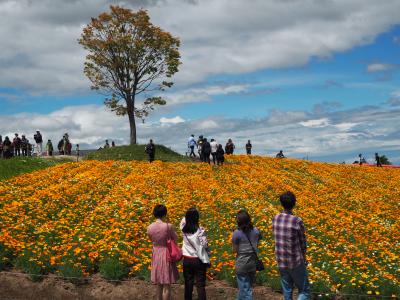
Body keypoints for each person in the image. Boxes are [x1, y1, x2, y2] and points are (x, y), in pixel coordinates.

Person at [273, 192, 310, 300]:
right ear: (294, 204)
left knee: (287, 289)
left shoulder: (275, 218)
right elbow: (303, 243)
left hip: (281, 261)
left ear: (281, 203)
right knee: (304, 291)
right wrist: (304, 258)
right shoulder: (297, 220)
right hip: (295, 261)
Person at [147, 205, 179, 300]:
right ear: (165, 213)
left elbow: (150, 239)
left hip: (156, 253)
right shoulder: (168, 226)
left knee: (159, 284)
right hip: (166, 253)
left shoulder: (149, 227)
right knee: (166, 284)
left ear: (154, 214)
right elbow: (176, 238)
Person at [180, 208, 210, 300]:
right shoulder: (200, 231)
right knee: (200, 285)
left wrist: (188, 215)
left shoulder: (183, 229)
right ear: (197, 218)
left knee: (188, 284)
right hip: (198, 260)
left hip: (187, 260)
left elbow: (183, 220)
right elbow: (205, 245)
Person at [232, 210, 262, 300]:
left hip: (242, 263)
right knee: (244, 289)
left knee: (246, 290)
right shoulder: (256, 231)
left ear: (238, 221)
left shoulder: (237, 233)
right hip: (253, 263)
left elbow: (234, 250)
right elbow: (257, 242)